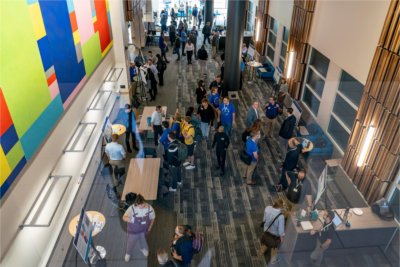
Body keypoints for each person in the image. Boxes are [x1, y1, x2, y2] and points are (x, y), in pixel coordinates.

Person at [123, 194, 155, 262]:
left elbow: (152, 219)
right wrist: (131, 219)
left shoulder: (150, 208)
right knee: (130, 243)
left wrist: (149, 228)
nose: (141, 207)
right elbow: (124, 217)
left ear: (144, 201)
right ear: (136, 204)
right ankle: (128, 253)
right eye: (138, 206)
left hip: (144, 230)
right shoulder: (132, 208)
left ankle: (142, 248)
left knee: (143, 240)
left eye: (142, 205)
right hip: (133, 231)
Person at [258, 199, 285, 265]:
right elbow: (281, 231)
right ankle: (273, 261)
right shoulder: (281, 217)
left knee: (264, 244)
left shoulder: (267, 208)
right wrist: (283, 240)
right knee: (274, 249)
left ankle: (260, 254)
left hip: (266, 232)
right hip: (274, 237)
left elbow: (264, 219)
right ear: (281, 207)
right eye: (284, 205)